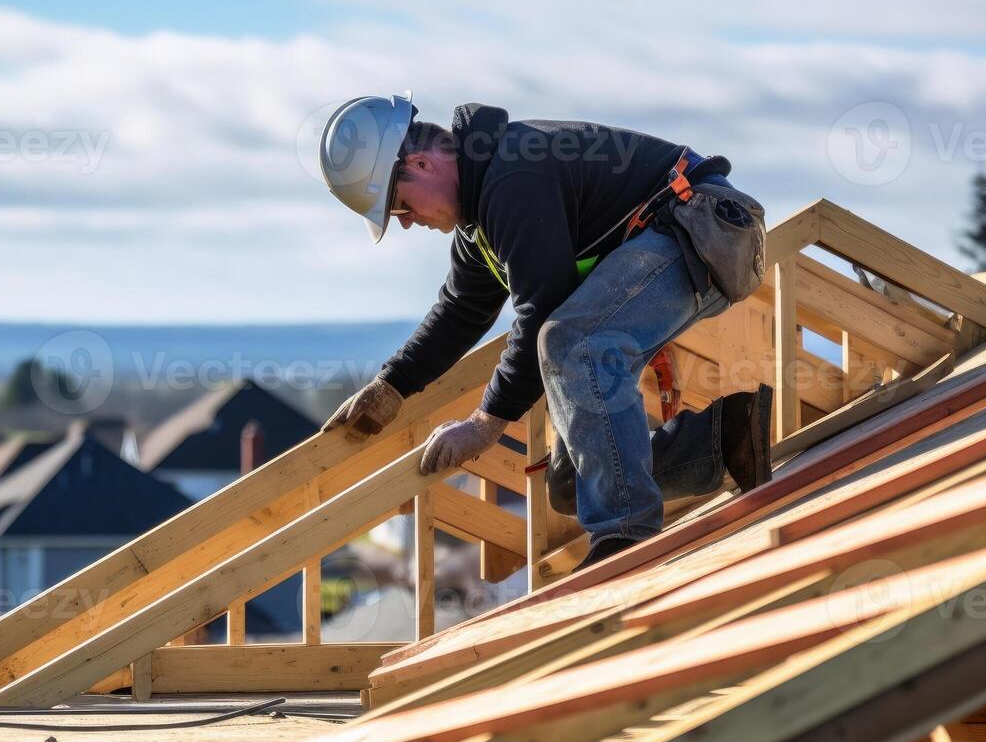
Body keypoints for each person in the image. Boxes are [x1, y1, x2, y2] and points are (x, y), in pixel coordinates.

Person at [318, 94, 772, 569]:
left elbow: (544, 311)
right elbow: (462, 310)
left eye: (399, 207)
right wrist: (392, 385)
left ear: (420, 162)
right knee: (574, 478)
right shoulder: (479, 221)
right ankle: (727, 437)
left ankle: (625, 540)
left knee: (574, 342)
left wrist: (485, 423)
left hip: (703, 226)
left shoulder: (513, 177)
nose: (407, 223)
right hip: (683, 238)